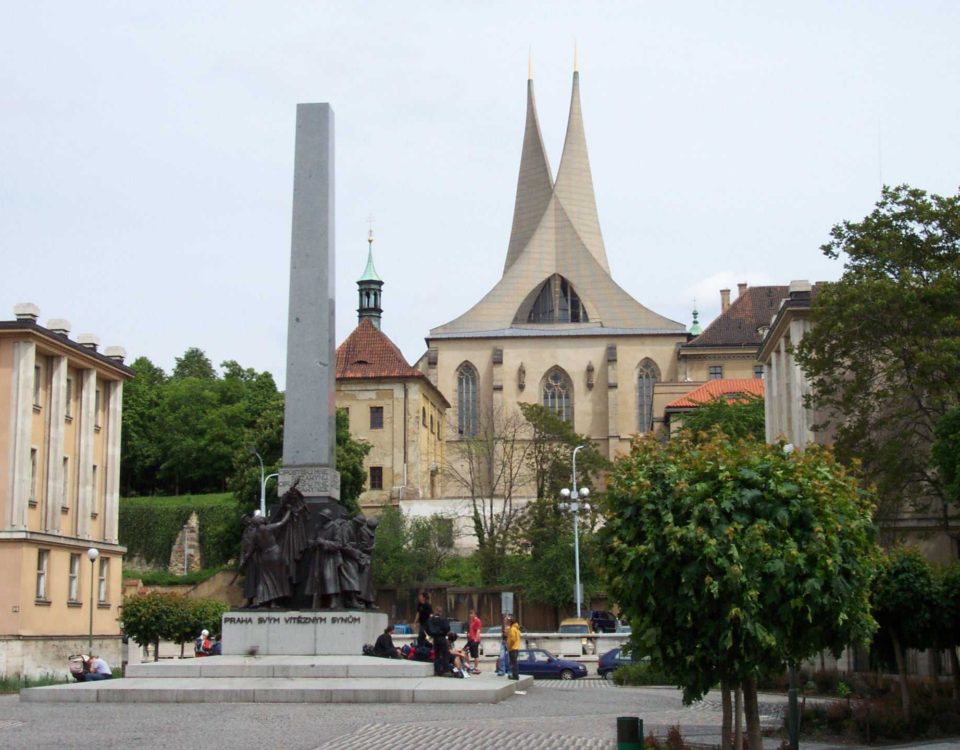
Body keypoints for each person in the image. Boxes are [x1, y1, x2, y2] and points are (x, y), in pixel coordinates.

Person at [427, 607, 451, 676]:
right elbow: (447, 628)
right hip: (442, 638)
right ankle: (446, 670)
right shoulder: (443, 619)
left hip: (435, 639)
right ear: (441, 612)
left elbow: (429, 630)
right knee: (445, 653)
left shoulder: (431, 620)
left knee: (437, 655)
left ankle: (437, 670)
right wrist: (443, 632)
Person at [466, 608, 482, 674]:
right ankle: (468, 666)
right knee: (465, 651)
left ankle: (476, 668)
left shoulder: (477, 621)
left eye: (471, 614)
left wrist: (476, 639)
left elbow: (478, 630)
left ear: (475, 614)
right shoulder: (471, 621)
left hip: (475, 640)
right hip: (470, 639)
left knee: (475, 654)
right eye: (470, 614)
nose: (470, 615)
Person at [506, 616, 521, 680]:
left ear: (510, 622)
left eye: (508, 621)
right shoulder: (517, 628)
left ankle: (515, 676)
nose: (507, 622)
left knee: (513, 663)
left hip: (512, 648)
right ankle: (516, 675)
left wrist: (509, 646)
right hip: (516, 648)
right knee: (514, 662)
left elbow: (512, 639)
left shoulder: (512, 629)